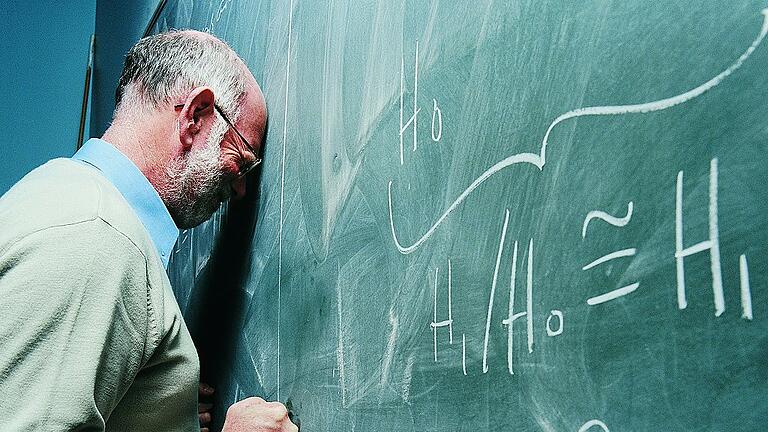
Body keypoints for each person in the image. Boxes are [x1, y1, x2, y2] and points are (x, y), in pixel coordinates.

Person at [0, 30, 297, 432]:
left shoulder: (66, 198)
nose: (241, 187)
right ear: (195, 117)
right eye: (241, 160)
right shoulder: (98, 238)